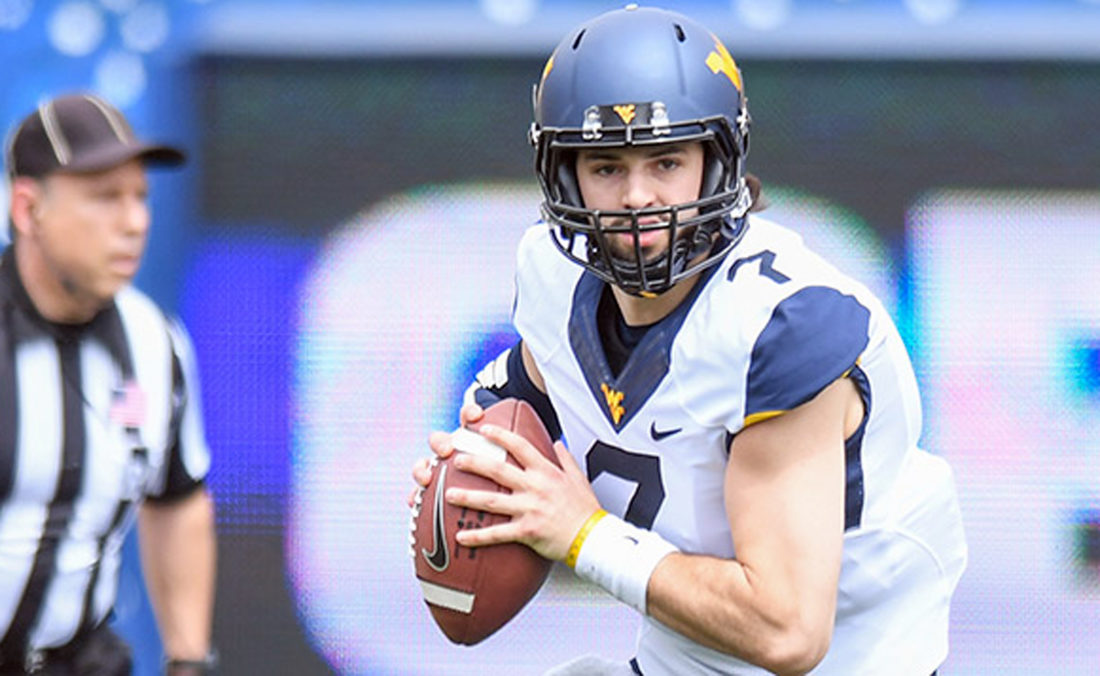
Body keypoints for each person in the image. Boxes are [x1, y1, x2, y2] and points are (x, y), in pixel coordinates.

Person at [412, 5, 966, 675]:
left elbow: (788, 632)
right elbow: (532, 388)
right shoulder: (552, 274)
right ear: (563, 174)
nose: (637, 196)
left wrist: (583, 535)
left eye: (666, 161)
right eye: (606, 167)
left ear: (717, 162)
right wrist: (479, 464)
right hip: (686, 659)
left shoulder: (779, 327)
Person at [0, 93, 217, 675]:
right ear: (27, 208)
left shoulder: (154, 342)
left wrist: (188, 660)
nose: (135, 223)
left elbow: (177, 499)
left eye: (141, 197)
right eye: (104, 198)